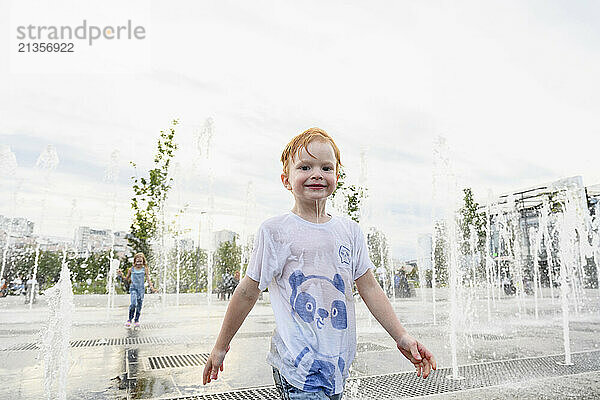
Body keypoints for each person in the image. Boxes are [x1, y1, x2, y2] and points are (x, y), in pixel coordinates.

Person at [203, 128, 436, 398]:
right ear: (286, 180)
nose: (316, 174)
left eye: (326, 167)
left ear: (337, 176)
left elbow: (370, 288)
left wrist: (401, 336)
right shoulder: (275, 231)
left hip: (337, 361)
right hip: (297, 363)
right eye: (305, 167)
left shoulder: (350, 232)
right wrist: (221, 346)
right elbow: (247, 291)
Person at [117, 252, 156, 328]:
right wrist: (121, 275)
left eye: (140, 261)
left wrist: (152, 288)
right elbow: (126, 280)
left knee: (139, 306)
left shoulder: (145, 269)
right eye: (137, 261)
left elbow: (148, 279)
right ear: (134, 261)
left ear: (143, 262)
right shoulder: (131, 269)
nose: (139, 263)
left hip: (141, 290)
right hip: (133, 288)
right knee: (133, 304)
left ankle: (136, 320)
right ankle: (129, 319)